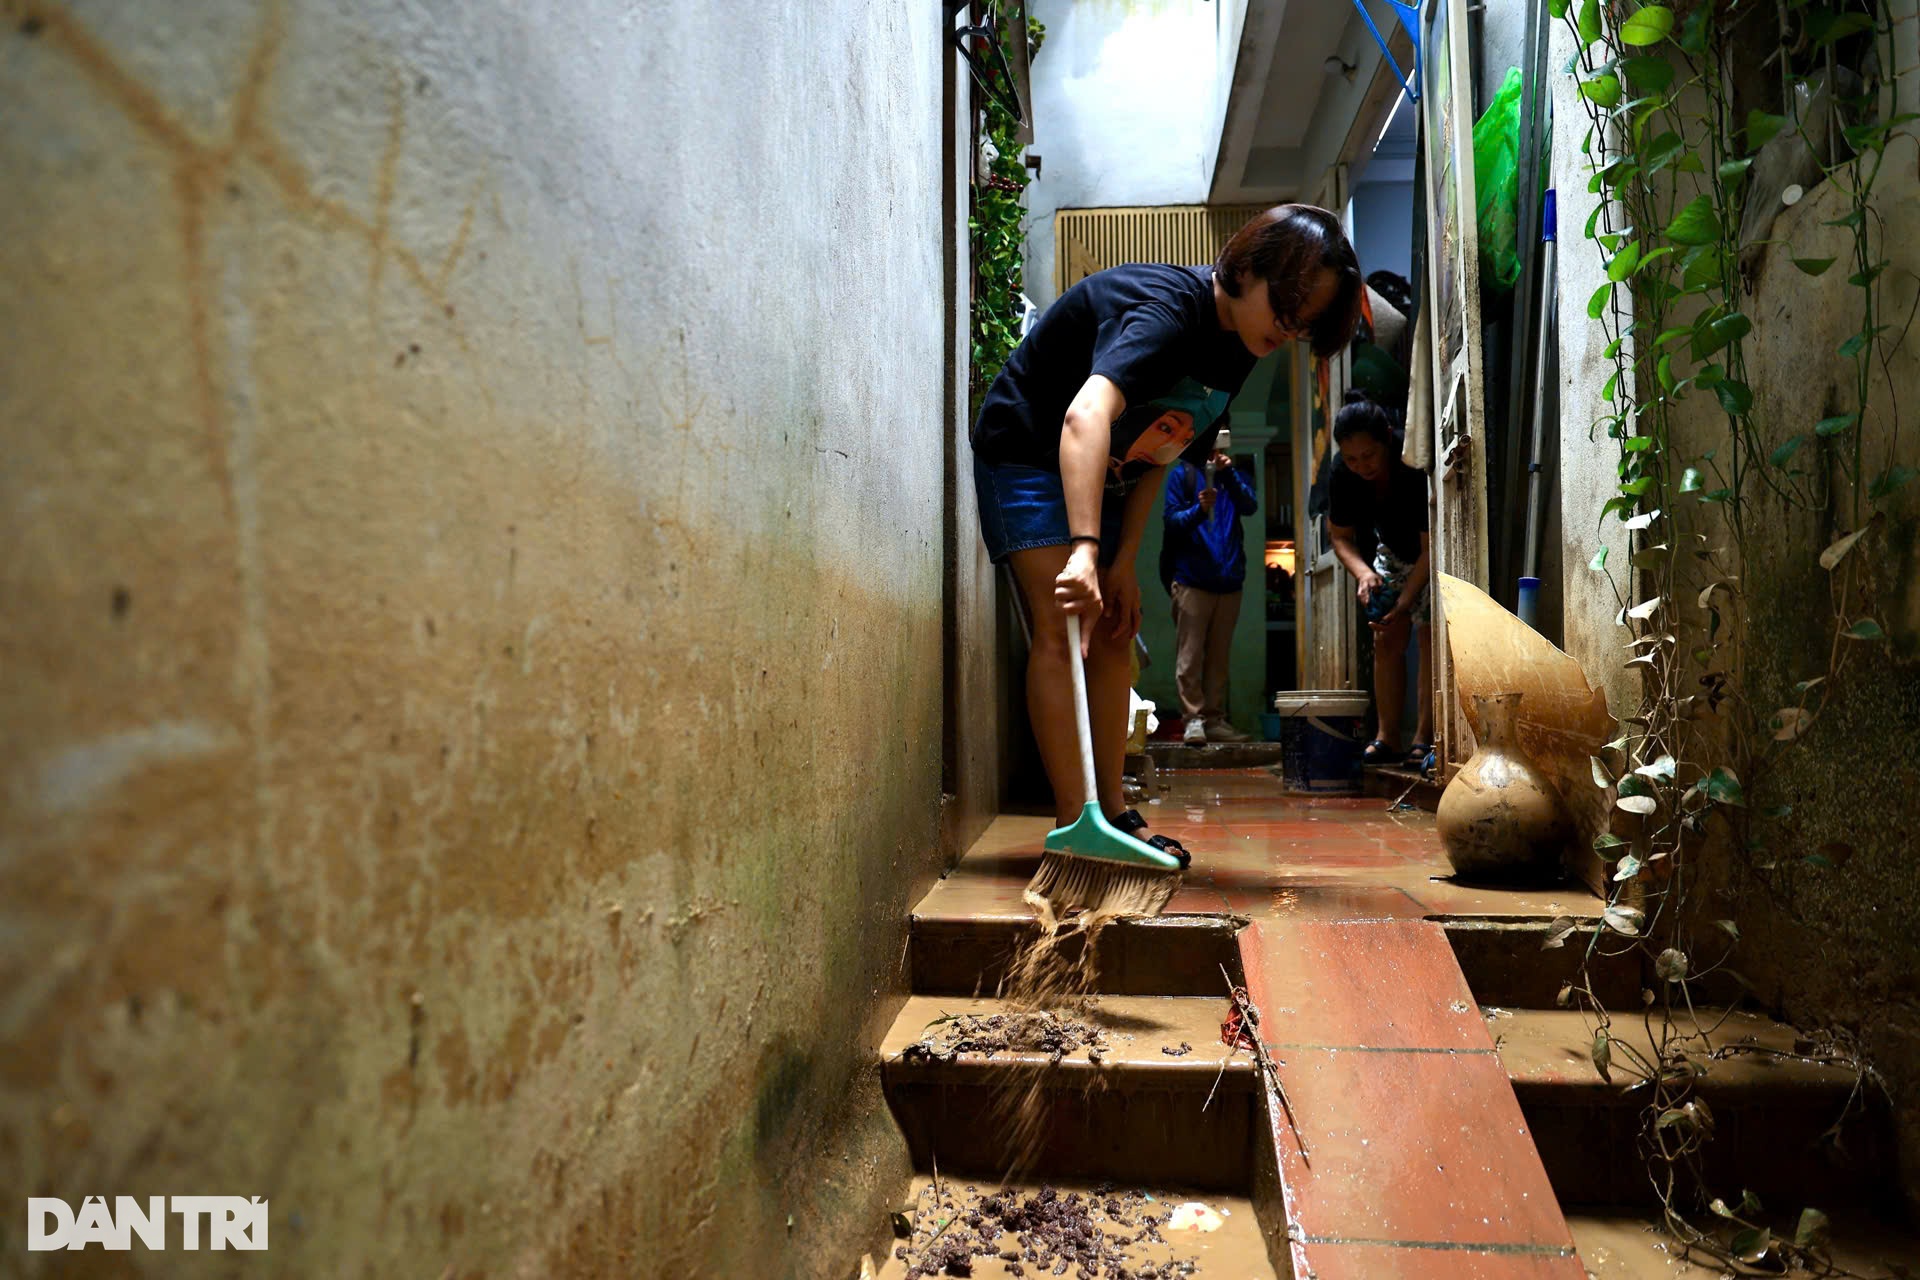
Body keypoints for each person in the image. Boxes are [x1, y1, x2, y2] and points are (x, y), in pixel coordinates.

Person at [971, 205, 1363, 864]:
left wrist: (1122, 561)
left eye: (1308, 318)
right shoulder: (1166, 313)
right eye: (1290, 303)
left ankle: (1113, 813)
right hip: (1029, 453)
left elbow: (1169, 449)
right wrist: (1086, 552)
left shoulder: (1239, 346)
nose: (1293, 326)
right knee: (1062, 627)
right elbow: (1083, 417)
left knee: (1116, 628)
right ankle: (1077, 825)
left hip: (1114, 471)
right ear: (1244, 267)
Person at [1326, 389, 1433, 767]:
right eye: (1352, 458)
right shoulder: (1342, 472)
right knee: (1385, 636)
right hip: (1390, 550)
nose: (1361, 465)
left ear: (1387, 438)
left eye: (1368, 455)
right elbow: (1339, 537)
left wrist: (1406, 602)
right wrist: (1364, 573)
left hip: (1429, 551)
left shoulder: (1411, 460)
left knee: (1428, 635)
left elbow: (1429, 545)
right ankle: (1387, 737)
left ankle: (1424, 738)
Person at [1162, 449, 1258, 744]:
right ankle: (1193, 721)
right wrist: (1199, 510)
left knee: (1219, 657)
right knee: (1189, 657)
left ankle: (1215, 720)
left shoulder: (1234, 474)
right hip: (1192, 579)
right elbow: (1172, 521)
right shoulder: (1182, 474)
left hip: (1229, 581)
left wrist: (1228, 473)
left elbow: (1250, 505)